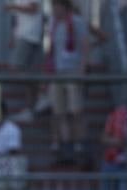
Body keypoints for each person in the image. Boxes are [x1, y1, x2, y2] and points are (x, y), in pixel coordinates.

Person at [47, 0, 89, 161]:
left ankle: (79, 142)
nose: (54, 9)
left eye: (56, 6)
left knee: (76, 110)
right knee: (59, 111)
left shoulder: (77, 22)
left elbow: (85, 45)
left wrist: (82, 69)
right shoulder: (54, 23)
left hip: (73, 71)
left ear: (64, 7)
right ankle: (64, 145)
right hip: (58, 72)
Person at [5, 0, 45, 121]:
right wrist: (14, 36)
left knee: (16, 68)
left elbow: (34, 8)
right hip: (24, 36)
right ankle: (31, 107)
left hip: (29, 36)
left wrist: (13, 6)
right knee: (28, 74)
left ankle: (42, 94)